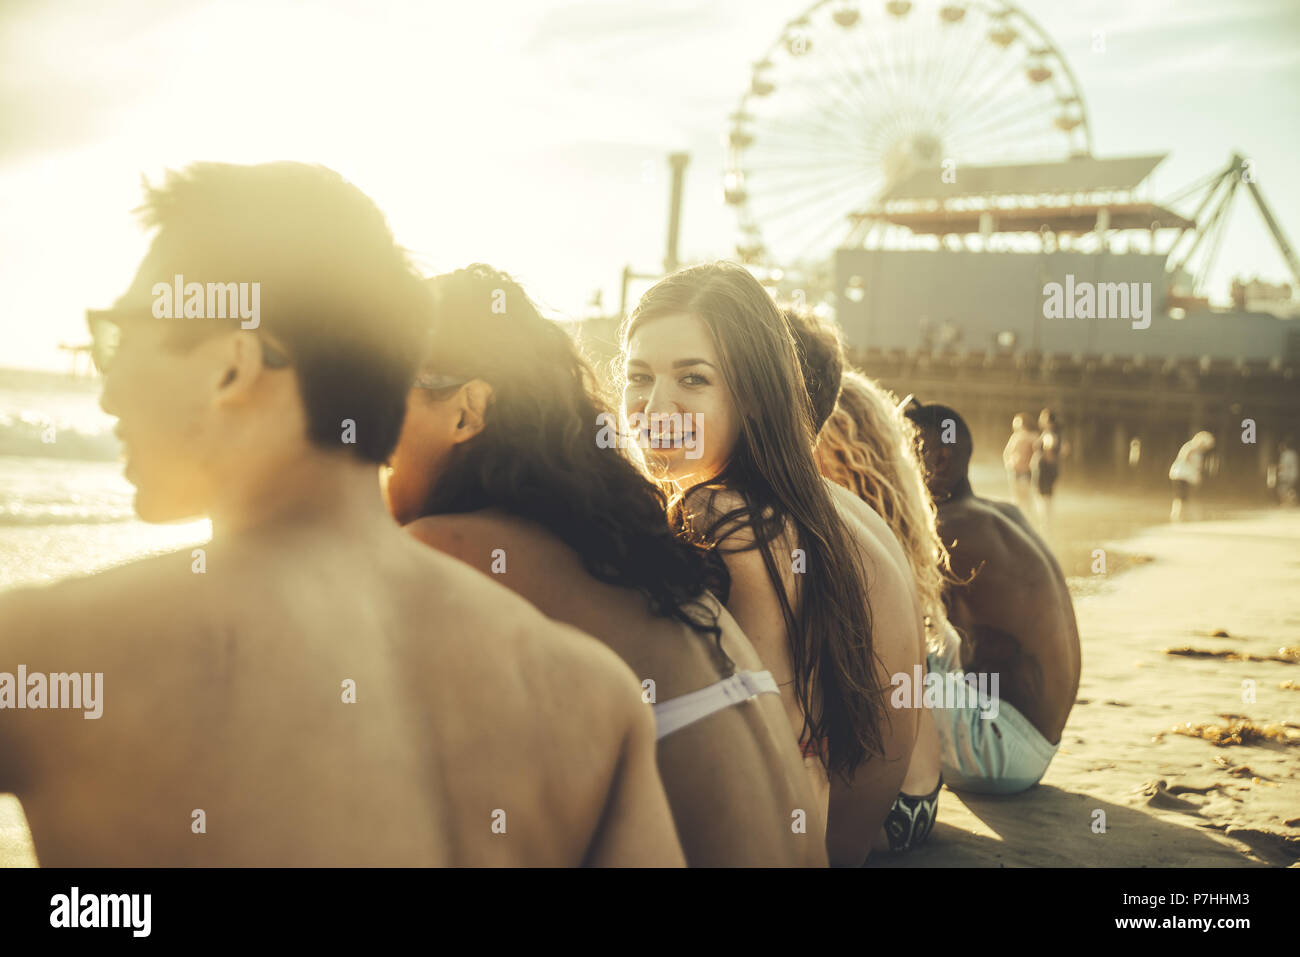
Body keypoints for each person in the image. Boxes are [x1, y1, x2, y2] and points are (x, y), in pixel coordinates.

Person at [0, 163, 683, 866]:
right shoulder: (590, 702)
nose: (106, 391)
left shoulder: (54, 647)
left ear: (231, 366)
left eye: (116, 337)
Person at [385, 264, 824, 866]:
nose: (360, 442)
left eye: (376, 397)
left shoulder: (448, 548)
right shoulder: (615, 537)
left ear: (467, 411)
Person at [621, 263, 914, 868]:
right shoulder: (828, 503)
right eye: (639, 377)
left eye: (693, 379)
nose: (655, 406)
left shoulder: (721, 516)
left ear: (752, 395)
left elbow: (767, 751)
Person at [905, 402, 1080, 795]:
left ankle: (889, 801)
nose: (894, 468)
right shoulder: (999, 514)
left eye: (901, 453)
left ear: (942, 459)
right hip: (1033, 743)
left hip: (1001, 752)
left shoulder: (945, 528)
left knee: (870, 661)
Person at [1030, 408, 1065, 534]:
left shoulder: (1049, 434)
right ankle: (1045, 525)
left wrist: (1040, 460)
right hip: (1048, 470)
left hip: (1044, 471)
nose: (1040, 420)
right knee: (1046, 498)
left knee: (1043, 498)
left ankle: (1045, 526)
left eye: (1042, 417)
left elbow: (1050, 453)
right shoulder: (1052, 434)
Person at [1169, 430, 1216, 521]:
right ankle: (1176, 515)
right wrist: (1194, 472)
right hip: (1180, 475)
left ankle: (1181, 514)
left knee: (1184, 497)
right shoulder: (1190, 447)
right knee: (1180, 496)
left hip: (1187, 476)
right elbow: (1184, 459)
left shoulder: (1199, 451)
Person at [1003, 413, 1037, 513]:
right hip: (1014, 470)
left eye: (1019, 421)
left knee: (1025, 495)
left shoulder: (1032, 437)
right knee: (1016, 497)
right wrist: (1009, 463)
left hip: (1026, 470)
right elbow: (1007, 452)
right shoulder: (1015, 437)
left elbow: (1037, 452)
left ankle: (1027, 515)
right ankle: (1018, 515)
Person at [1278, 437, 1299, 507]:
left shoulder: (1285, 454)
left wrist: (1280, 473)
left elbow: (1283, 466)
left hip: (1287, 475)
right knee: (1290, 489)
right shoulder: (1294, 453)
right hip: (1294, 474)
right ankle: (1290, 502)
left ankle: (1288, 502)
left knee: (1283, 489)